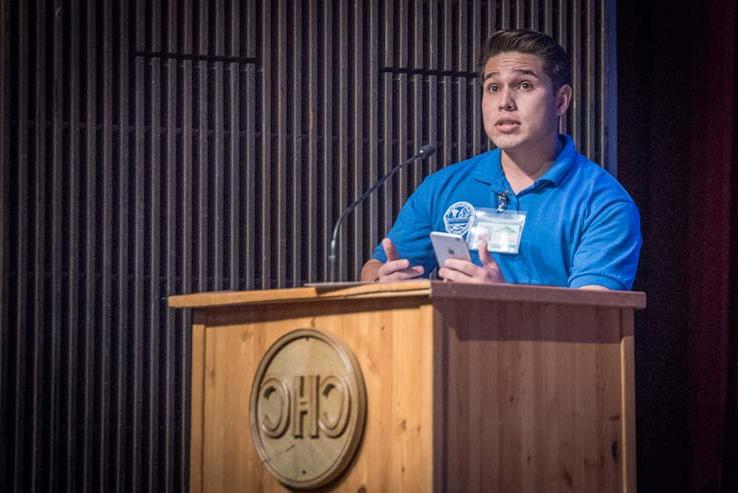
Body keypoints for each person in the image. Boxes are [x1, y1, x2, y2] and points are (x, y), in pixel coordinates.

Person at [360, 29, 641, 290]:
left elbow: (596, 315)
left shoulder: (603, 202)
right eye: (493, 88)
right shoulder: (442, 187)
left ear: (560, 101)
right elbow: (374, 267)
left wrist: (502, 299)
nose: (505, 101)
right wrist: (382, 279)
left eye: (524, 85)